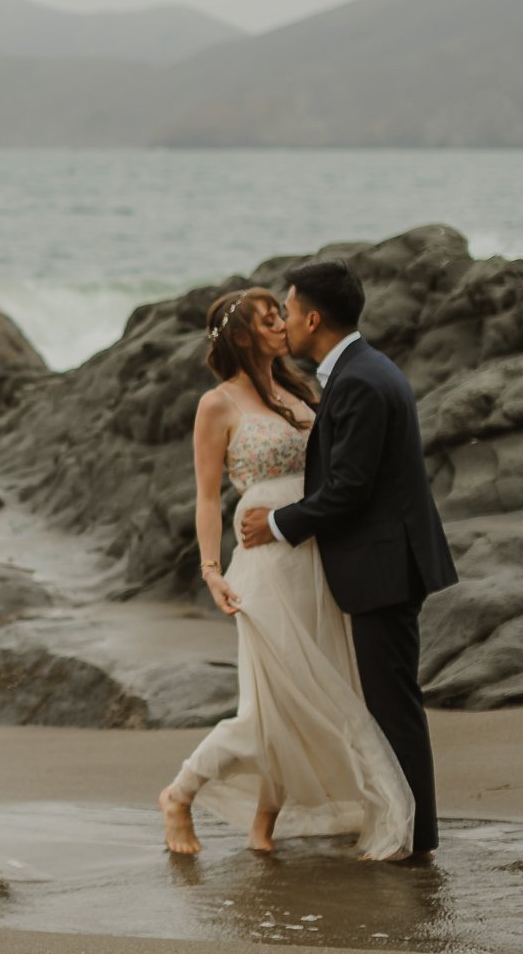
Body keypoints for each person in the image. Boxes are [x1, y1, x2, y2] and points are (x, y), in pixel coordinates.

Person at [156, 279, 417, 860]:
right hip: (264, 561)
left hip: (316, 554)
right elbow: (205, 497)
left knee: (314, 691)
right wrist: (210, 568)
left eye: (283, 313)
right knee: (271, 704)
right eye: (269, 318)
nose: (282, 323)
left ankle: (263, 826)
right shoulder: (217, 404)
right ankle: (180, 792)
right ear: (245, 334)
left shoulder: (301, 389)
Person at [236, 259, 457, 860]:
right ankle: (410, 828)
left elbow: (349, 488)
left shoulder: (358, 379)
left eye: (287, 310)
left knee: (394, 707)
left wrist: (278, 524)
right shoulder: (363, 369)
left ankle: (413, 838)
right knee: (392, 703)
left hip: (384, 567)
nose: (282, 322)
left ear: (313, 318)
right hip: (388, 560)